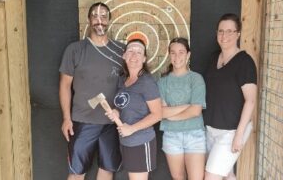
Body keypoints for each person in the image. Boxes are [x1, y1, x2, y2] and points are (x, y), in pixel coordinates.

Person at [59, 2, 124, 180]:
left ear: (109, 20)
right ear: (89, 20)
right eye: (95, 16)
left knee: (107, 169)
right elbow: (65, 85)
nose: (99, 20)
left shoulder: (121, 51)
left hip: (112, 122)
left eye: (103, 16)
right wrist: (66, 118)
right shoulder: (75, 50)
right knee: (77, 172)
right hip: (82, 120)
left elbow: (130, 85)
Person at [204, 13, 257, 180]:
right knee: (226, 174)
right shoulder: (214, 58)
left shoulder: (244, 62)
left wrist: (239, 135)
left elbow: (251, 100)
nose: (224, 36)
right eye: (221, 31)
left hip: (231, 132)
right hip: (211, 128)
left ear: (238, 34)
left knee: (211, 176)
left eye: (229, 31)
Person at [106, 38, 162, 180]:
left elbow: (157, 115)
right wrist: (116, 112)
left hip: (141, 141)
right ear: (124, 55)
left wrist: (132, 129)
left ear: (144, 58)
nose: (134, 55)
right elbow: (122, 105)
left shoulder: (147, 82)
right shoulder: (122, 80)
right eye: (130, 50)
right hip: (125, 141)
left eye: (139, 52)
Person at [158, 37, 206, 180]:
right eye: (173, 52)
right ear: (169, 55)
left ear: (188, 54)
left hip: (195, 135)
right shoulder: (162, 82)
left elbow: (196, 111)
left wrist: (171, 115)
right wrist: (187, 106)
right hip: (171, 136)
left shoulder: (196, 79)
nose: (177, 56)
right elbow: (161, 112)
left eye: (181, 52)